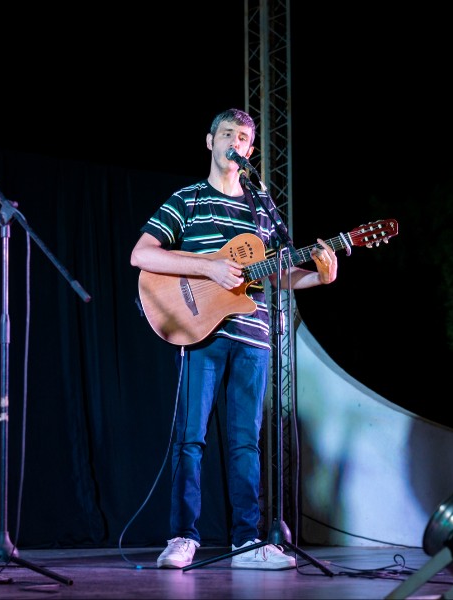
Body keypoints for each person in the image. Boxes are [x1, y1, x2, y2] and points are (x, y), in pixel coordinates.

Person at [130, 108, 338, 570]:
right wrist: (208, 266)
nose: (235, 142)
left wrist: (319, 277)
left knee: (247, 442)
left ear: (249, 150)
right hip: (200, 330)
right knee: (191, 438)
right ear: (210, 141)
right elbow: (141, 253)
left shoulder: (261, 209)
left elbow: (280, 276)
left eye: (243, 137)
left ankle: (248, 543)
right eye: (228, 133)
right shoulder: (188, 199)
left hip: (254, 336)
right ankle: (183, 536)